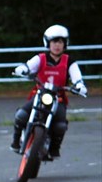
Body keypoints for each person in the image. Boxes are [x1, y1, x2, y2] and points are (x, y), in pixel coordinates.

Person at [10, 24, 88, 158]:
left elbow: (77, 78)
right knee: (21, 115)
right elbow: (27, 66)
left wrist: (79, 86)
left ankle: (54, 148)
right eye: (54, 41)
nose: (57, 45)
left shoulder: (70, 62)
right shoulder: (40, 58)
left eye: (60, 42)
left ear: (65, 44)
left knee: (61, 125)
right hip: (40, 94)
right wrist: (22, 70)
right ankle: (16, 141)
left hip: (59, 98)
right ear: (48, 43)